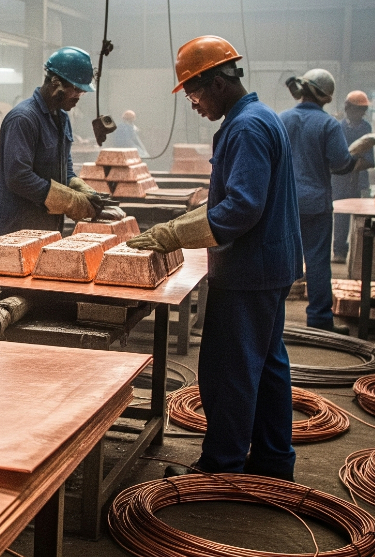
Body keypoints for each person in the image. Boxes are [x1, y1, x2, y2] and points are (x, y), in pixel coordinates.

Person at [127, 35, 302, 481]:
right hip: (270, 265)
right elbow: (241, 195)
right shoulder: (260, 117)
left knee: (230, 371)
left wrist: (174, 234)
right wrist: (198, 210)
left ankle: (220, 466)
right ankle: (273, 462)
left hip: (248, 270)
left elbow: (243, 207)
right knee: (266, 366)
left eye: (194, 94)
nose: (193, 104)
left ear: (217, 83)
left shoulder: (245, 128)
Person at [0, 46, 123, 237]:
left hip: (49, 227)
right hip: (16, 229)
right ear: (55, 83)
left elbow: (64, 170)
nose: (78, 97)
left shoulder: (62, 118)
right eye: (76, 89)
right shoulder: (23, 119)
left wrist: (84, 192)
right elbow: (19, 178)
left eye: (82, 92)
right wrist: (72, 202)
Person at [280, 69, 369, 334]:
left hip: (285, 203)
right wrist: (358, 155)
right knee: (317, 262)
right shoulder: (328, 124)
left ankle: (271, 320)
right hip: (316, 204)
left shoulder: (282, 119)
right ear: (327, 97)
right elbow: (341, 164)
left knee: (281, 260)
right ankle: (319, 320)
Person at [332, 91, 375, 262]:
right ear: (348, 108)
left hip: (359, 179)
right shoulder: (338, 127)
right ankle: (339, 251)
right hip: (340, 179)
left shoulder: (366, 128)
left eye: (363, 110)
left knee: (361, 219)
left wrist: (355, 165)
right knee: (340, 217)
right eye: (358, 109)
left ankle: (360, 256)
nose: (361, 113)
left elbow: (369, 158)